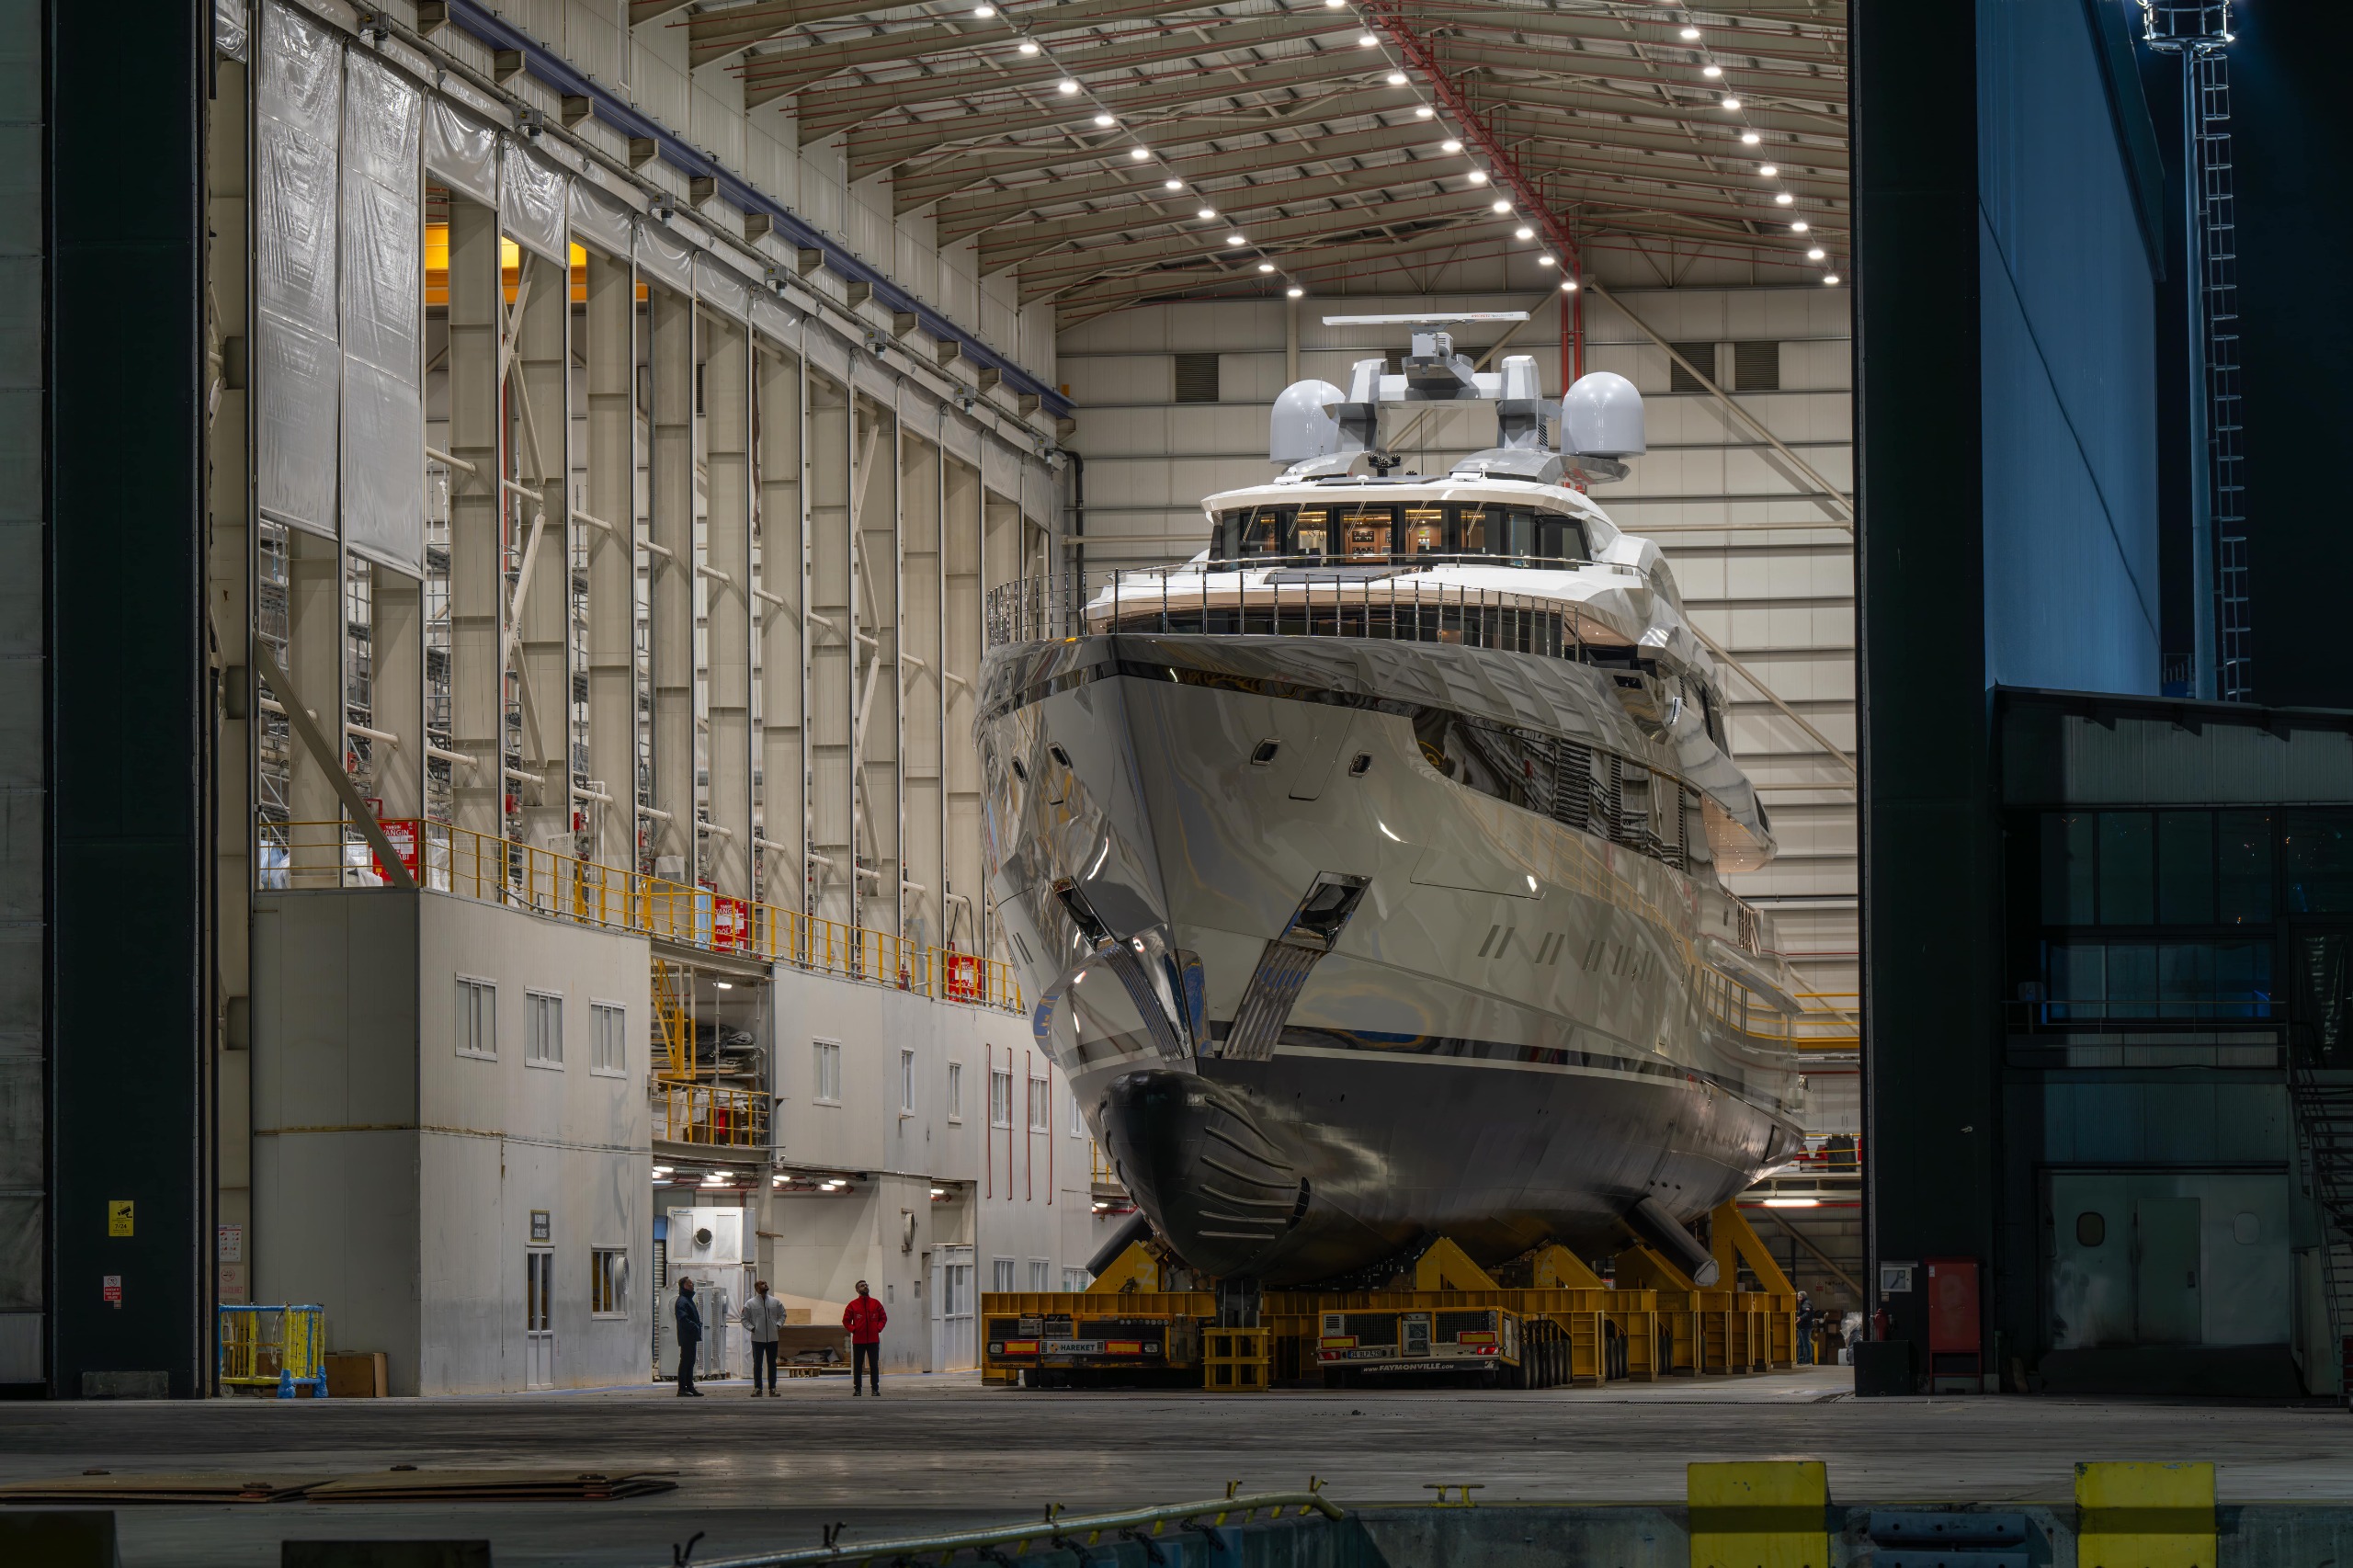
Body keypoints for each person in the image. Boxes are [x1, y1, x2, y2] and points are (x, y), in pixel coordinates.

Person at [742, 1278, 787, 1397]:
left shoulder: (775, 1302)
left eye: (766, 1283)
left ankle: (773, 1388)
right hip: (757, 1338)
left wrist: (778, 1325)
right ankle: (758, 1388)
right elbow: (744, 1318)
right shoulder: (750, 1304)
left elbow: (783, 1314)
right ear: (757, 1288)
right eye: (762, 1284)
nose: (765, 1285)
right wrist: (752, 1328)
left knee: (772, 1364)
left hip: (773, 1338)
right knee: (758, 1364)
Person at [843, 1278, 887, 1397]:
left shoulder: (876, 1303)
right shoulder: (852, 1305)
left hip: (873, 1340)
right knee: (858, 1366)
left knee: (874, 1365)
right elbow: (846, 1321)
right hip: (859, 1340)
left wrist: (878, 1328)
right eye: (862, 1286)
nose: (865, 1287)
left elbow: (883, 1318)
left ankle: (875, 1389)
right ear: (857, 1290)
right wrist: (854, 1330)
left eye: (866, 1285)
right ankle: (857, 1389)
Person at [674, 1276, 705, 1396]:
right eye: (691, 1283)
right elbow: (683, 1319)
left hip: (691, 1336)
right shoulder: (682, 1301)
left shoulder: (687, 1299)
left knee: (690, 1362)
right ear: (686, 1286)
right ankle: (682, 1389)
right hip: (687, 1336)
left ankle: (690, 1387)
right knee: (686, 1362)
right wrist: (694, 1326)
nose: (693, 1285)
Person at [1795, 1291, 1816, 1365]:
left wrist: (1800, 1318)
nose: (1798, 1298)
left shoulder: (1806, 1304)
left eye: (1799, 1297)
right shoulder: (1803, 1303)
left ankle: (1808, 1360)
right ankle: (1800, 1360)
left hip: (1805, 1327)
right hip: (1801, 1327)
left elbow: (1807, 1313)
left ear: (1802, 1297)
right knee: (1800, 1344)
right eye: (1798, 1296)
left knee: (1806, 1343)